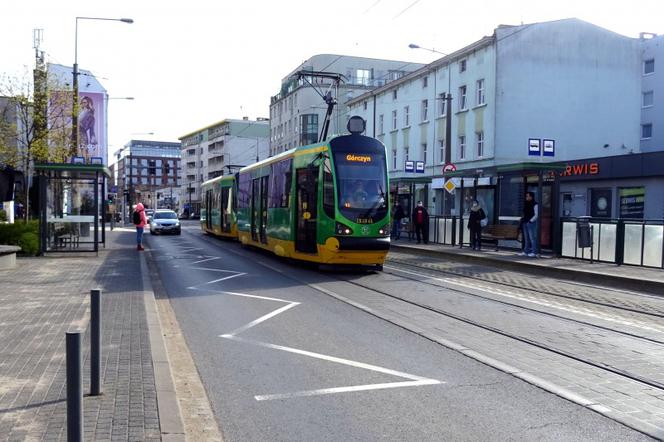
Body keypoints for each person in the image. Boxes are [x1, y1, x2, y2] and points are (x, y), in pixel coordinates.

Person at [78, 96, 97, 160]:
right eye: (82, 102)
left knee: (83, 154)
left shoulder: (90, 115)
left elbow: (92, 129)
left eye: (85, 102)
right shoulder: (79, 112)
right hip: (75, 134)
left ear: (88, 103)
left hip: (82, 135)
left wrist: (93, 140)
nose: (83, 104)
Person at [521, 192, 539, 257]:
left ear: (531, 197)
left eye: (528, 196)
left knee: (532, 238)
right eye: (526, 196)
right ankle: (526, 251)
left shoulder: (535, 204)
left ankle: (534, 252)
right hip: (525, 222)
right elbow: (524, 213)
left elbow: (536, 215)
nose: (527, 197)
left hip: (531, 223)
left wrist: (530, 221)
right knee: (526, 238)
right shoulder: (526, 204)